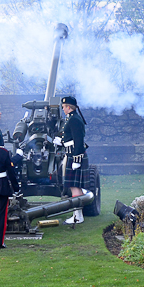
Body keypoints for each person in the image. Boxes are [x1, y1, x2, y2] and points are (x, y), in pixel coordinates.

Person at [55, 96, 88, 225]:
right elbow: (70, 137)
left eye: (63, 107)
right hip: (71, 154)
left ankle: (78, 216)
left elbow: (78, 140)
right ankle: (77, 215)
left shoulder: (74, 119)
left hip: (75, 156)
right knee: (75, 187)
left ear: (68, 107)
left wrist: (77, 159)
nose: (63, 109)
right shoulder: (71, 118)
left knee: (75, 187)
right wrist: (61, 142)